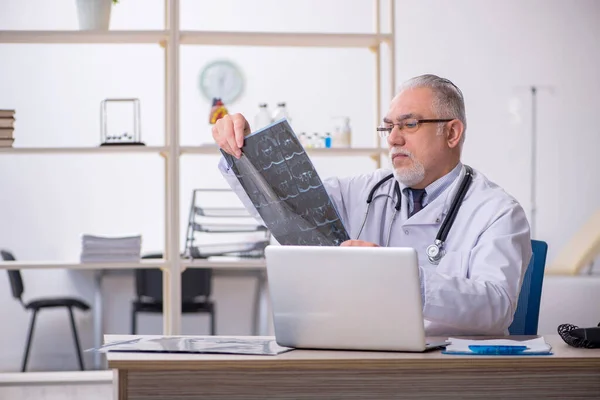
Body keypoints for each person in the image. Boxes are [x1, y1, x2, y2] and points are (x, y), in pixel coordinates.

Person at [212, 74, 532, 336]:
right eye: (388, 126)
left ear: (451, 132)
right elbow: (285, 208)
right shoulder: (366, 190)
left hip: (454, 372)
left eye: (408, 125)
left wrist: (399, 277)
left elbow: (496, 307)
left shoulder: (497, 212)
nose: (393, 138)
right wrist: (246, 152)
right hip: (368, 359)